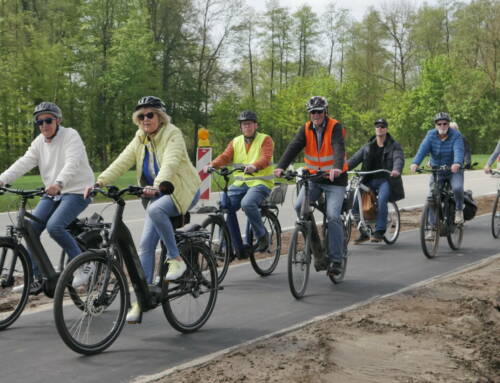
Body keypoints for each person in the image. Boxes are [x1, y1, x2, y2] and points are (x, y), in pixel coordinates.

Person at [88, 96, 201, 323]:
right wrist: (99, 182)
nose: (145, 119)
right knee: (144, 245)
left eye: (150, 114)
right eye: (141, 116)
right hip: (156, 193)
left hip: (180, 189)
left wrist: (158, 185)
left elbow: (170, 161)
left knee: (156, 211)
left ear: (160, 116)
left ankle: (175, 257)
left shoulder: (172, 133)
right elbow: (122, 160)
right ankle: (143, 296)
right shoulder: (140, 137)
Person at [0, 102, 94, 293]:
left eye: (48, 120)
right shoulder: (38, 143)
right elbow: (24, 163)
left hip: (76, 191)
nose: (44, 125)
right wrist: (2, 180)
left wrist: (58, 183)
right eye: (39, 122)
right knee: (31, 230)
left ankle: (83, 266)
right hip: (52, 193)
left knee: (54, 226)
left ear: (58, 120)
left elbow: (72, 162)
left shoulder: (70, 135)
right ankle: (37, 278)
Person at [274, 96, 348, 276]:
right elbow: (294, 147)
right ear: (309, 114)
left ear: (325, 112)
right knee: (300, 207)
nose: (316, 115)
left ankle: (336, 259)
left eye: (319, 112)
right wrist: (281, 167)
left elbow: (338, 146)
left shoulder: (335, 127)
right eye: (313, 112)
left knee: (332, 216)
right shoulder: (305, 129)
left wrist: (337, 168)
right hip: (314, 179)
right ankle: (318, 251)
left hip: (335, 180)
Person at [202, 110, 274, 258]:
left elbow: (266, 157)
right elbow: (225, 157)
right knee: (225, 204)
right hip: (240, 183)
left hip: (260, 182)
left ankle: (262, 236)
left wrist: (255, 166)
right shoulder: (236, 141)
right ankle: (234, 246)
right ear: (240, 127)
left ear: (255, 125)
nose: (246, 127)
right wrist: (212, 165)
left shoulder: (265, 139)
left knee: (248, 204)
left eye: (249, 124)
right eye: (243, 124)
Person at [347, 118, 405, 243]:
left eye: (382, 126)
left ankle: (379, 231)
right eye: (377, 126)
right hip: (368, 179)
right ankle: (364, 232)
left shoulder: (394, 146)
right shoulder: (368, 146)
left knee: (382, 200)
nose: (380, 128)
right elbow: (353, 160)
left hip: (385, 179)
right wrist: (341, 169)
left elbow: (398, 159)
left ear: (386, 129)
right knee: (355, 203)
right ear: (375, 129)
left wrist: (396, 169)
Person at [410, 112, 465, 224]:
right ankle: (432, 227)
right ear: (435, 125)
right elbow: (422, 149)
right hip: (437, 171)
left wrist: (457, 163)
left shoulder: (456, 135)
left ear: (448, 124)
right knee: (432, 197)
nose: (442, 126)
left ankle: (459, 210)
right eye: (439, 124)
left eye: (445, 123)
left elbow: (458, 150)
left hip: (453, 170)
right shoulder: (430, 135)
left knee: (457, 188)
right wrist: (415, 163)